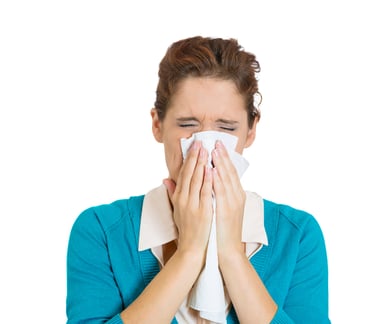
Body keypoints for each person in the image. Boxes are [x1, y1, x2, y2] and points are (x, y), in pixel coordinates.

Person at [66, 36, 330, 324]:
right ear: (157, 125)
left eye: (226, 128)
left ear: (251, 131)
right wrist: (189, 254)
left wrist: (231, 254)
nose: (204, 147)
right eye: (187, 125)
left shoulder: (298, 235)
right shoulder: (101, 231)